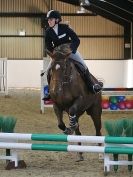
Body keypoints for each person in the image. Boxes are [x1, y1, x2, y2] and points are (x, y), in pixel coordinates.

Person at [44, 10, 102, 100]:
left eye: (51, 19)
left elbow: (76, 40)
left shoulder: (65, 28)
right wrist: (54, 54)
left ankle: (91, 86)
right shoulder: (48, 31)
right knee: (48, 71)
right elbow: (48, 45)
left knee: (83, 65)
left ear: (57, 20)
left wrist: (72, 49)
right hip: (58, 54)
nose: (49, 21)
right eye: (48, 20)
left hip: (69, 51)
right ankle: (50, 92)